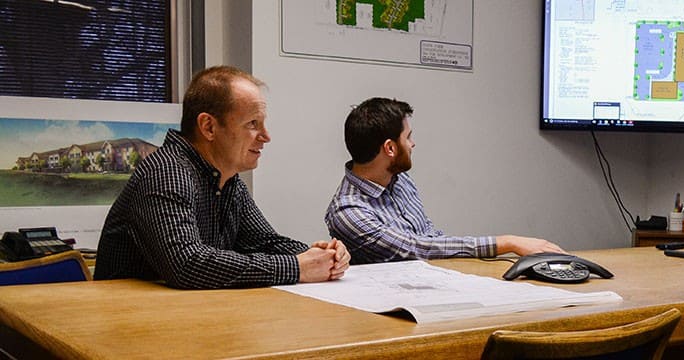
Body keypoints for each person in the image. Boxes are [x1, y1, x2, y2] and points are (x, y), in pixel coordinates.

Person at [95, 66, 350, 289]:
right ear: (208, 127)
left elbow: (264, 242)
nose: (266, 136)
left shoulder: (228, 181)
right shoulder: (167, 172)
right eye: (252, 124)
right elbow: (187, 264)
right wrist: (296, 267)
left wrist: (321, 256)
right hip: (130, 321)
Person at [325, 97, 565, 264]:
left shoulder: (398, 178)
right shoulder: (348, 211)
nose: (413, 144)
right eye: (408, 137)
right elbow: (415, 248)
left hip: (433, 280)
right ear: (390, 148)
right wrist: (506, 243)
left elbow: (430, 236)